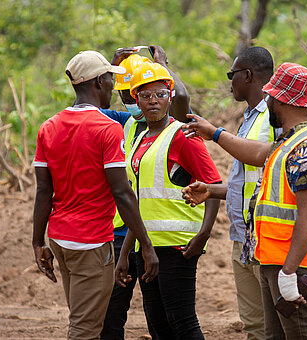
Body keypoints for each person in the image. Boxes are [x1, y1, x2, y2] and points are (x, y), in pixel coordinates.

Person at [182, 63, 307, 340]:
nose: (267, 103)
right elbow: (257, 154)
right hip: (275, 260)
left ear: (282, 101)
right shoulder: (288, 143)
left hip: (295, 264)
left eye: (271, 98)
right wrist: (215, 134)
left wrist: (289, 272)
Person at [32, 50, 158, 340]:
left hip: (60, 240)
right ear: (99, 83)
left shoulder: (48, 127)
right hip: (90, 243)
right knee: (85, 331)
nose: (114, 87)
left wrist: (38, 242)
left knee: (82, 317)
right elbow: (122, 193)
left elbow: (43, 191)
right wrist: (146, 245)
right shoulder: (108, 128)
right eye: (110, 80)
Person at [115, 61, 221, 339]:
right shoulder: (140, 140)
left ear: (170, 97)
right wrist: (126, 252)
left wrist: (203, 235)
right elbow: (137, 203)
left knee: (182, 323)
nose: (153, 101)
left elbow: (214, 185)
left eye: (160, 94)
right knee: (159, 327)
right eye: (146, 96)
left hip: (177, 246)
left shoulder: (182, 135)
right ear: (135, 99)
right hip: (145, 246)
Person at [182, 46, 276, 339]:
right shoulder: (249, 116)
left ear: (247, 75)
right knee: (253, 327)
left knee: (275, 327)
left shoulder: (273, 113)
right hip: (242, 237)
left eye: (231, 75)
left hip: (265, 236)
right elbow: (250, 183)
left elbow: (261, 157)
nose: (229, 82)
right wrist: (211, 191)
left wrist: (215, 134)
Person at [99, 45, 190, 340]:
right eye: (127, 96)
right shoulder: (123, 123)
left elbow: (183, 99)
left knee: (167, 319)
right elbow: (91, 106)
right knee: (110, 315)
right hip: (121, 235)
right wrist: (110, 70)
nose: (132, 102)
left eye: (134, 94)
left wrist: (163, 66)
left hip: (159, 235)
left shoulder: (168, 125)